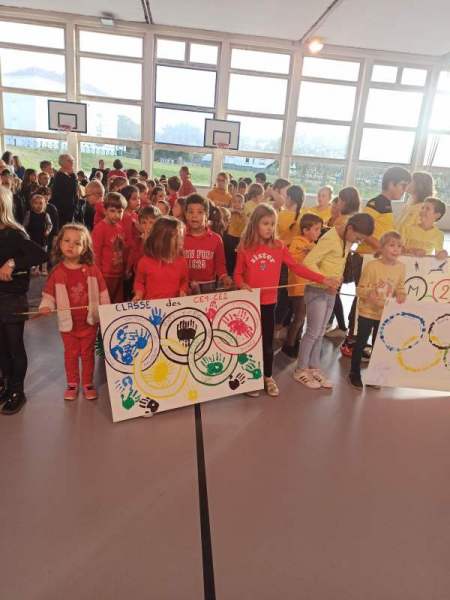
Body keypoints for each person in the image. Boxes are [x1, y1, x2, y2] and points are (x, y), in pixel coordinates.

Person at [234, 203, 339, 397]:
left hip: (268, 303)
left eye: (272, 224)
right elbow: (238, 274)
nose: (269, 228)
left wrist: (323, 279)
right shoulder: (245, 247)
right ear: (255, 224)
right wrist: (242, 284)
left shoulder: (279, 246)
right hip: (249, 303)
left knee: (267, 342)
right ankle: (250, 378)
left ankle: (267, 376)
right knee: (248, 342)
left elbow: (297, 267)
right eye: (265, 223)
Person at [294, 213, 375, 389]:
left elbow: (339, 261)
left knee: (320, 332)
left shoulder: (347, 237)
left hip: (331, 291)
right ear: (350, 229)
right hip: (317, 290)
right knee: (312, 332)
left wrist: (336, 280)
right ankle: (300, 369)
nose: (358, 242)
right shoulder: (330, 239)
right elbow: (308, 262)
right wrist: (325, 280)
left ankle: (314, 367)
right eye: (358, 238)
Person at [341, 167, 411, 357]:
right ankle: (351, 341)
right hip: (366, 258)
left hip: (375, 258)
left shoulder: (386, 204)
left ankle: (359, 341)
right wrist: (382, 250)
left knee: (374, 298)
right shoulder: (377, 203)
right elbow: (364, 231)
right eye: (402, 185)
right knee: (363, 298)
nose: (404, 190)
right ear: (391, 184)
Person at [39, 224, 110, 401]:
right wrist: (46, 305)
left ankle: (87, 383)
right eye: (67, 241)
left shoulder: (92, 270)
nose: (71, 245)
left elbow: (103, 292)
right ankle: (72, 383)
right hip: (68, 325)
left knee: (87, 354)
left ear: (84, 248)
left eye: (77, 243)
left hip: (89, 322)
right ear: (59, 243)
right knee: (70, 354)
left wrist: (106, 311)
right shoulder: (57, 272)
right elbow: (48, 294)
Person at [0, 187, 47, 414]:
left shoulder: (15, 233)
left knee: (14, 345)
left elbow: (40, 254)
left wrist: (12, 263)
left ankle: (17, 390)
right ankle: (6, 384)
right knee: (1, 347)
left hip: (12, 297)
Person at [348, 231, 406, 389]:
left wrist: (401, 294)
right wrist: (369, 293)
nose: (396, 249)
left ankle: (374, 375)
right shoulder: (372, 266)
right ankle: (354, 372)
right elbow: (359, 289)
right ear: (381, 247)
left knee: (378, 345)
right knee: (360, 343)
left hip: (384, 314)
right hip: (367, 312)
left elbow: (400, 287)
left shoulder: (401, 267)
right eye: (392, 245)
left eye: (399, 246)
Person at [282, 213, 323, 358]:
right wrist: (308, 250)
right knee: (299, 317)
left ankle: (296, 341)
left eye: (320, 229)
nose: (319, 232)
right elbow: (293, 260)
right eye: (316, 229)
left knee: (302, 317)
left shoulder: (313, 245)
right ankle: (288, 344)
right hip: (298, 286)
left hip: (307, 286)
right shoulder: (297, 242)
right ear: (305, 230)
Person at [183, 194, 232, 293]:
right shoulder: (179, 237)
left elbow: (220, 264)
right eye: (191, 212)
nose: (194, 215)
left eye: (200, 212)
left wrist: (224, 277)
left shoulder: (216, 239)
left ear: (207, 215)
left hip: (209, 287)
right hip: (184, 286)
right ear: (185, 214)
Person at [133, 216, 189, 300]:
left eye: (182, 237)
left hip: (173, 305)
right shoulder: (144, 262)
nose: (182, 241)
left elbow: (184, 281)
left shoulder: (181, 261)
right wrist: (139, 295)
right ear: (163, 239)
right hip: (151, 305)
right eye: (178, 237)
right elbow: (139, 282)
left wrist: (183, 290)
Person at [92, 192, 126, 304]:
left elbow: (122, 250)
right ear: (105, 210)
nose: (116, 215)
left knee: (116, 304)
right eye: (112, 211)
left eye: (119, 211)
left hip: (118, 273)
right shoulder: (100, 228)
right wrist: (98, 275)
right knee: (105, 304)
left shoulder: (120, 228)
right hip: (105, 275)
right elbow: (96, 254)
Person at [126, 205, 161, 279]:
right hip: (139, 276)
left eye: (151, 222)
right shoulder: (138, 240)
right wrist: (128, 269)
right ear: (140, 224)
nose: (148, 226)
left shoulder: (160, 241)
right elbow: (134, 258)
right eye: (144, 222)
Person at [23, 193, 53, 276]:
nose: (38, 205)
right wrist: (26, 234)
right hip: (32, 236)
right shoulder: (29, 213)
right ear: (32, 204)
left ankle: (43, 269)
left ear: (44, 205)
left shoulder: (45, 215)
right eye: (36, 203)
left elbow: (50, 224)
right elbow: (24, 225)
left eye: (41, 203)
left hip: (42, 237)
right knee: (33, 252)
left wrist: (47, 231)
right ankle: (34, 269)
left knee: (43, 252)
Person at [396, 171, 434, 237]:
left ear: (419, 185)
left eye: (410, 181)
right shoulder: (410, 202)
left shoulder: (422, 209)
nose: (406, 183)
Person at [51, 154, 79, 227]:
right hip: (63, 211)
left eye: (72, 160)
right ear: (62, 163)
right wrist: (73, 175)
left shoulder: (68, 175)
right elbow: (72, 189)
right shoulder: (60, 176)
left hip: (70, 209)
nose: (72, 162)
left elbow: (75, 193)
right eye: (69, 160)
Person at [223, 193, 246, 275]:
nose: (236, 204)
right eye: (234, 201)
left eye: (239, 202)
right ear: (231, 203)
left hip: (239, 239)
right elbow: (223, 211)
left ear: (243, 204)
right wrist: (233, 210)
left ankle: (235, 274)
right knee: (228, 258)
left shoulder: (244, 214)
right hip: (229, 238)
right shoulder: (228, 212)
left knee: (237, 259)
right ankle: (228, 274)